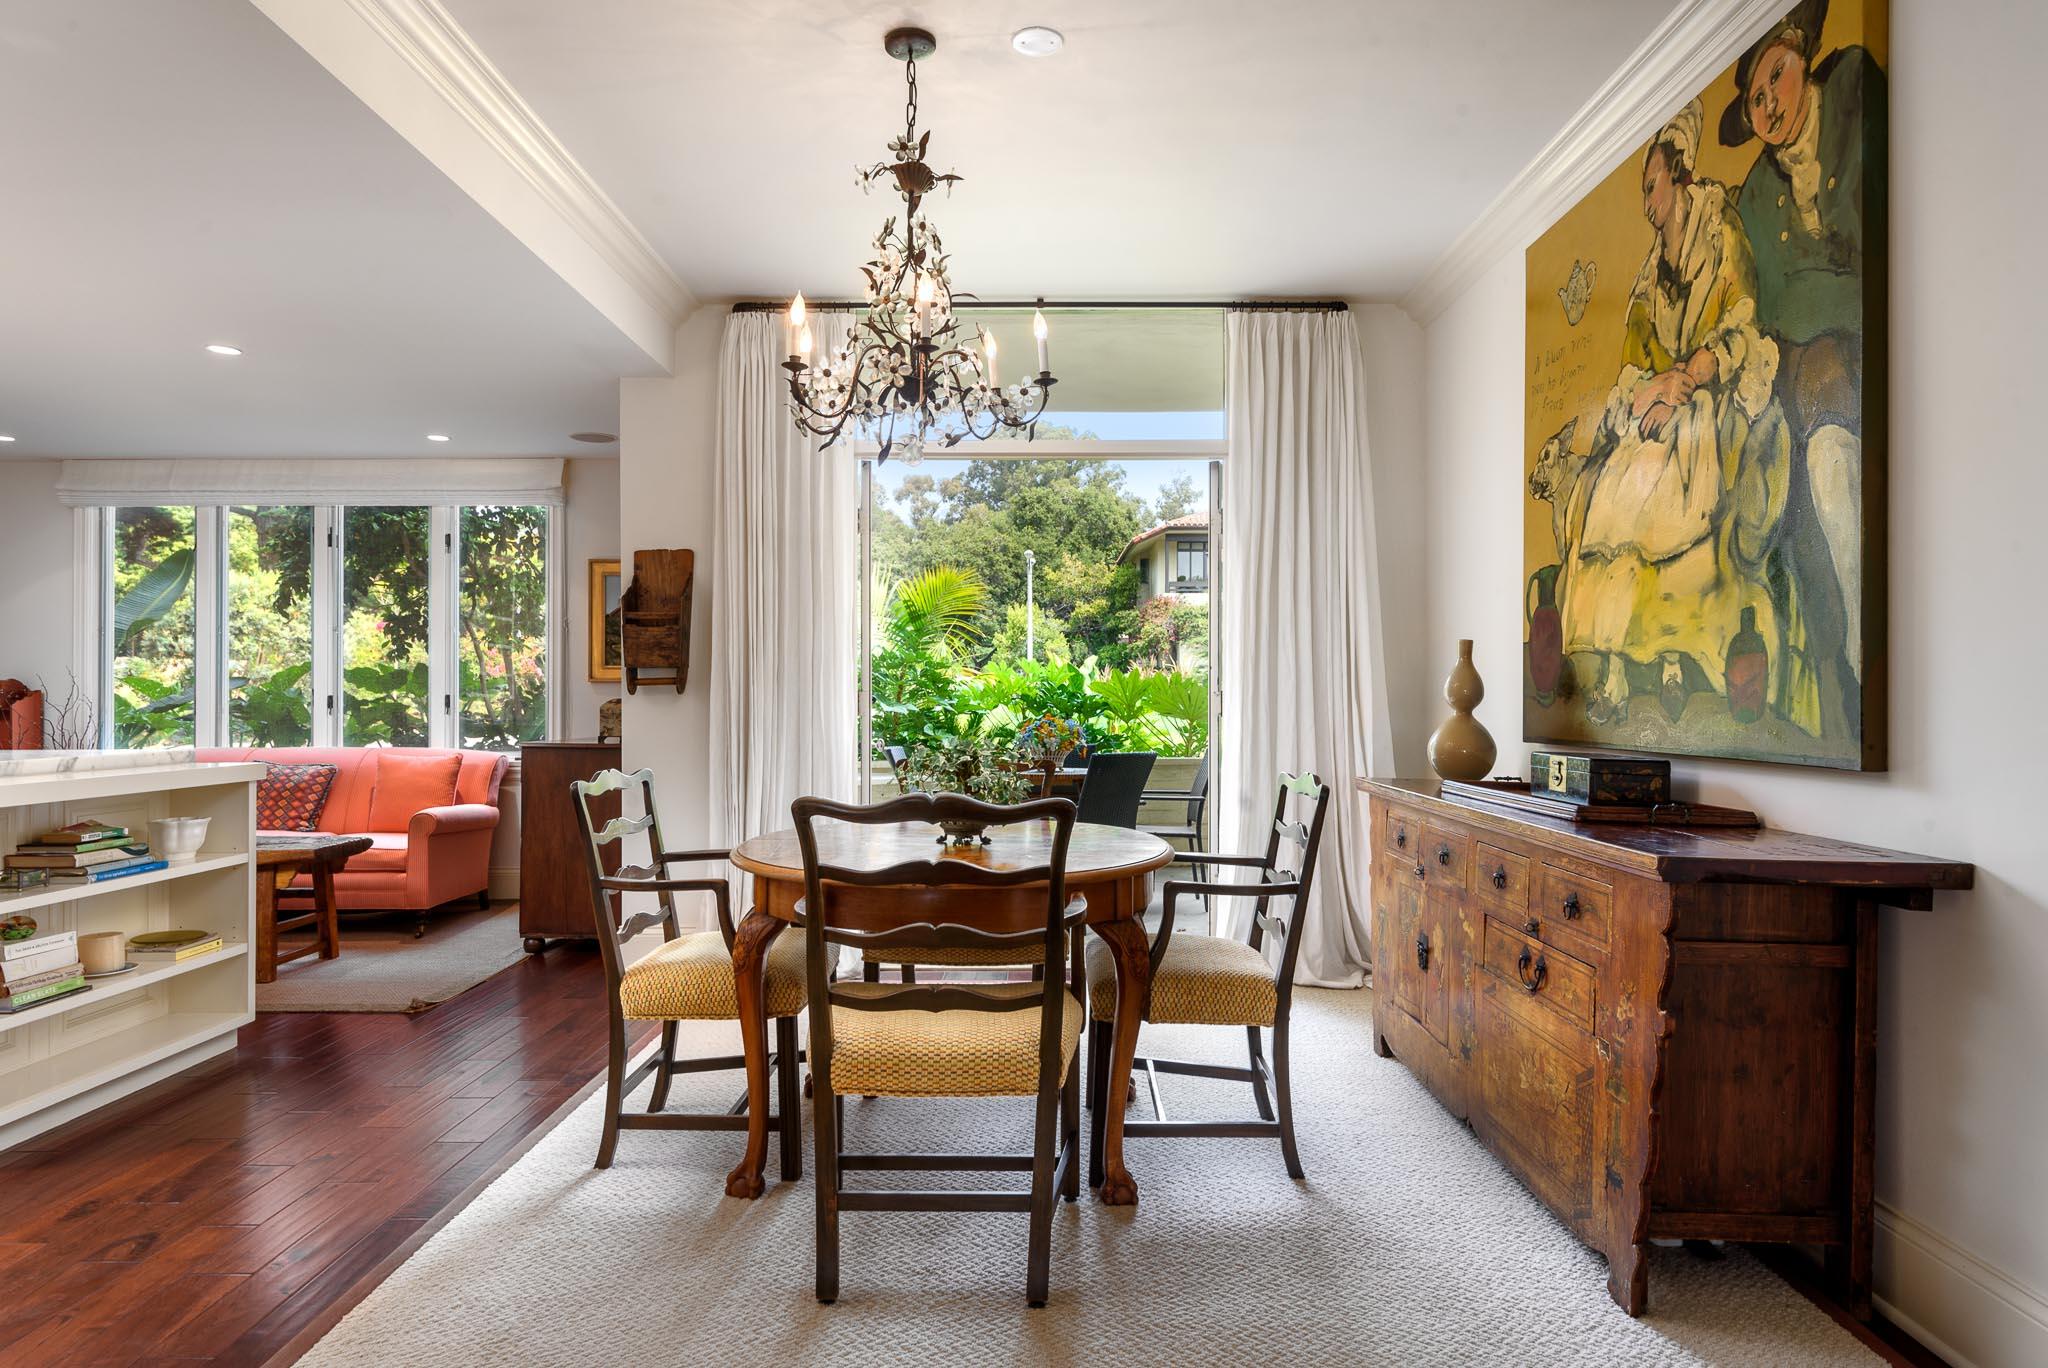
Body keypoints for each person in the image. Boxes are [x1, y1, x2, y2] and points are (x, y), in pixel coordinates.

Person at [1555, 100, 1802, 730]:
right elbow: (1634, 359)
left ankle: (1673, 656)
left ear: (1680, 173)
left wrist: (1685, 379)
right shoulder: (1650, 276)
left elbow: (1742, 321)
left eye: (1651, 186)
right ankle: (1616, 665)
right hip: (1661, 404)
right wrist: (1648, 391)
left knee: (1676, 468)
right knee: (1611, 484)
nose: (1647, 203)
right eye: (1643, 191)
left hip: (1711, 394)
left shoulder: (1719, 231)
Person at [1723, 0, 1883, 741]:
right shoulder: (1756, 196)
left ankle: (1861, 647)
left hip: (1861, 350)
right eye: (1755, 99)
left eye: (1776, 78)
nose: (1768, 105)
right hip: (1797, 365)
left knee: (1828, 440)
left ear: (1804, 58)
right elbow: (1771, 310)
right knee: (1772, 473)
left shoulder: (1853, 92)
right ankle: (1826, 677)